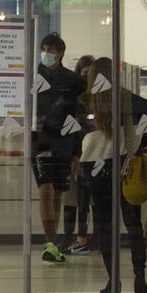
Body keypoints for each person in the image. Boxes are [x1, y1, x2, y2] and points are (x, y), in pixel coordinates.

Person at [79, 57, 147, 293]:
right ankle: (140, 279)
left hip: (95, 168)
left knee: (105, 226)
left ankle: (113, 282)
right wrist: (140, 141)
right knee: (133, 224)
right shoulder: (126, 97)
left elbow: (74, 131)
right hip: (125, 165)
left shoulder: (86, 101)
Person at [32, 32, 85, 263]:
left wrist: (76, 151)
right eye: (44, 49)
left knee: (57, 193)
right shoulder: (33, 76)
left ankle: (54, 243)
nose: (47, 54)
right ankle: (49, 241)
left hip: (63, 143)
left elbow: (78, 116)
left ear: (61, 53)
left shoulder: (71, 80)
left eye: (51, 51)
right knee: (45, 189)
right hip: (39, 141)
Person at [63, 54, 96, 256]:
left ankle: (83, 238)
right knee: (71, 199)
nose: (87, 78)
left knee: (86, 199)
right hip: (74, 151)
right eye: (85, 74)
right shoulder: (73, 95)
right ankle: (69, 239)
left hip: (92, 151)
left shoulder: (99, 94)